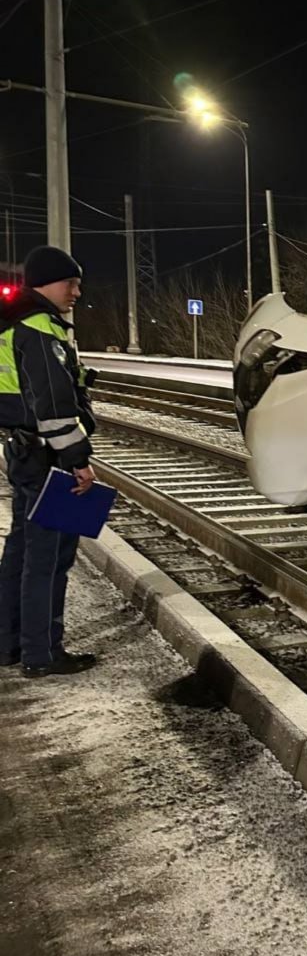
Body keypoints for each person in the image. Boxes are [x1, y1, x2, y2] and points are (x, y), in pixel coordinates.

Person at [0, 245, 99, 677]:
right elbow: (55, 406)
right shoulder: (40, 329)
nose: (76, 291)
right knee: (49, 557)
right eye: (70, 283)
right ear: (44, 283)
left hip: (23, 452)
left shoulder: (12, 324)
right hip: (47, 459)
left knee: (21, 551)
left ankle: (8, 645)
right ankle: (42, 654)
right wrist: (79, 460)